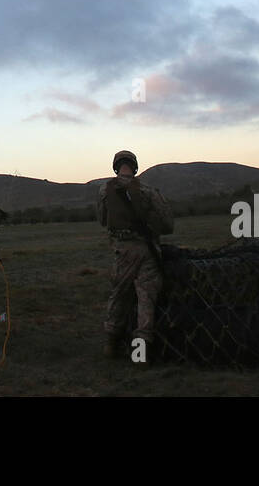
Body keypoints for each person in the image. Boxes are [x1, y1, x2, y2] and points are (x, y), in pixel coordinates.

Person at [96, 149, 172, 359]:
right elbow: (167, 224)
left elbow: (103, 220)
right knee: (146, 298)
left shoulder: (104, 190)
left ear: (115, 166)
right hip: (148, 250)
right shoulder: (148, 190)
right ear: (135, 166)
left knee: (119, 295)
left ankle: (110, 345)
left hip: (123, 251)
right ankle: (141, 353)